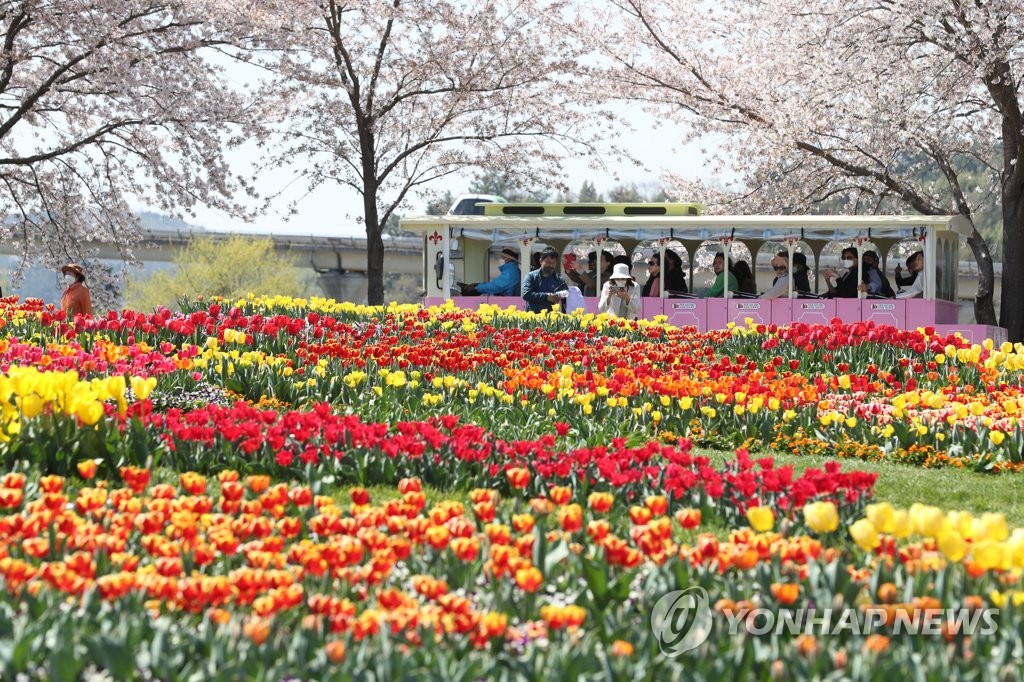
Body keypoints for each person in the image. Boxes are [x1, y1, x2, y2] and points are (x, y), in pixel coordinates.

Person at [522, 247, 568, 313]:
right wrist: (546, 297)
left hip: (553, 319)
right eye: (548, 262)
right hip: (533, 319)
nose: (551, 265)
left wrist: (562, 296)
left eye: (553, 263)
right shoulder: (531, 276)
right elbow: (526, 294)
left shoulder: (559, 279)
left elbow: (566, 297)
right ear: (541, 261)